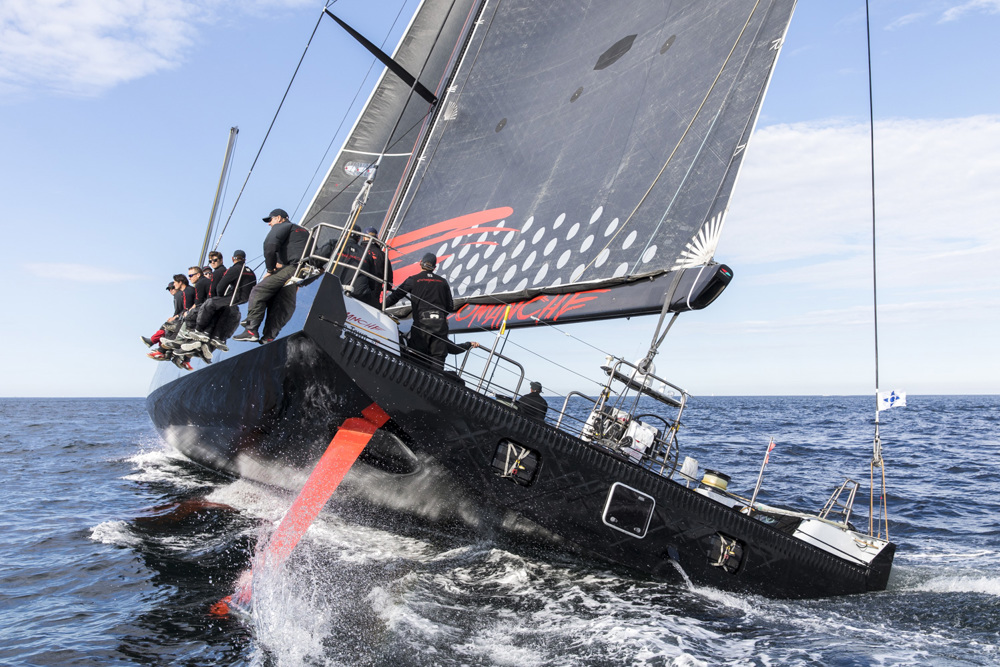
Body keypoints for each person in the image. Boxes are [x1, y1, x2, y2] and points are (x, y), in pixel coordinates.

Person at [233, 208, 310, 343]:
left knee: (259, 291)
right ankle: (269, 337)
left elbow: (269, 246)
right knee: (283, 302)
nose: (269, 224)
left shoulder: (283, 226)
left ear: (279, 218)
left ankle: (251, 329)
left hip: (292, 268)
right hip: (301, 271)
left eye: (270, 220)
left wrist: (270, 269)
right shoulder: (303, 231)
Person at [384, 252, 455, 369]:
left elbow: (395, 296)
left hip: (421, 325)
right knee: (438, 361)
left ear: (421, 263)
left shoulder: (413, 280)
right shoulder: (443, 282)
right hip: (440, 325)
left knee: (417, 361)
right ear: (435, 267)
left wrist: (381, 306)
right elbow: (450, 306)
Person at [185, 249, 257, 351]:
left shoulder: (233, 269)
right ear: (244, 259)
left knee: (210, 303)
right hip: (245, 299)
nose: (212, 263)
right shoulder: (250, 271)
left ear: (232, 259)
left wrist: (219, 297)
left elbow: (220, 287)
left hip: (234, 298)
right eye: (211, 261)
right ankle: (218, 338)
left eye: (214, 260)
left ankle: (199, 330)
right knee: (224, 310)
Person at [355, 226, 393, 308]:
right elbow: (389, 279)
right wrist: (388, 287)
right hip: (374, 293)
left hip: (357, 289)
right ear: (376, 239)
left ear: (364, 237)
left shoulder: (358, 250)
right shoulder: (382, 255)